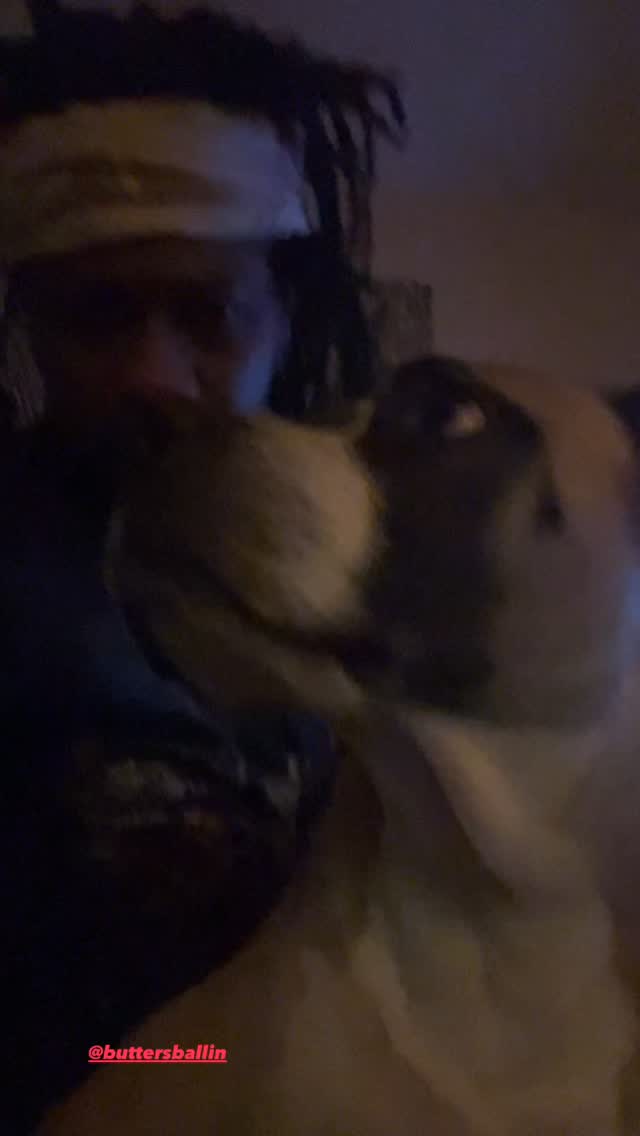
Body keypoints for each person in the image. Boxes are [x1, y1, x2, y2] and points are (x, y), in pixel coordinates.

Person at [0, 1, 405, 1131]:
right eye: (98, 317)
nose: (153, 375)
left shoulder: (368, 552)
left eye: (209, 314)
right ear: (29, 323)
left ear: (286, 318)